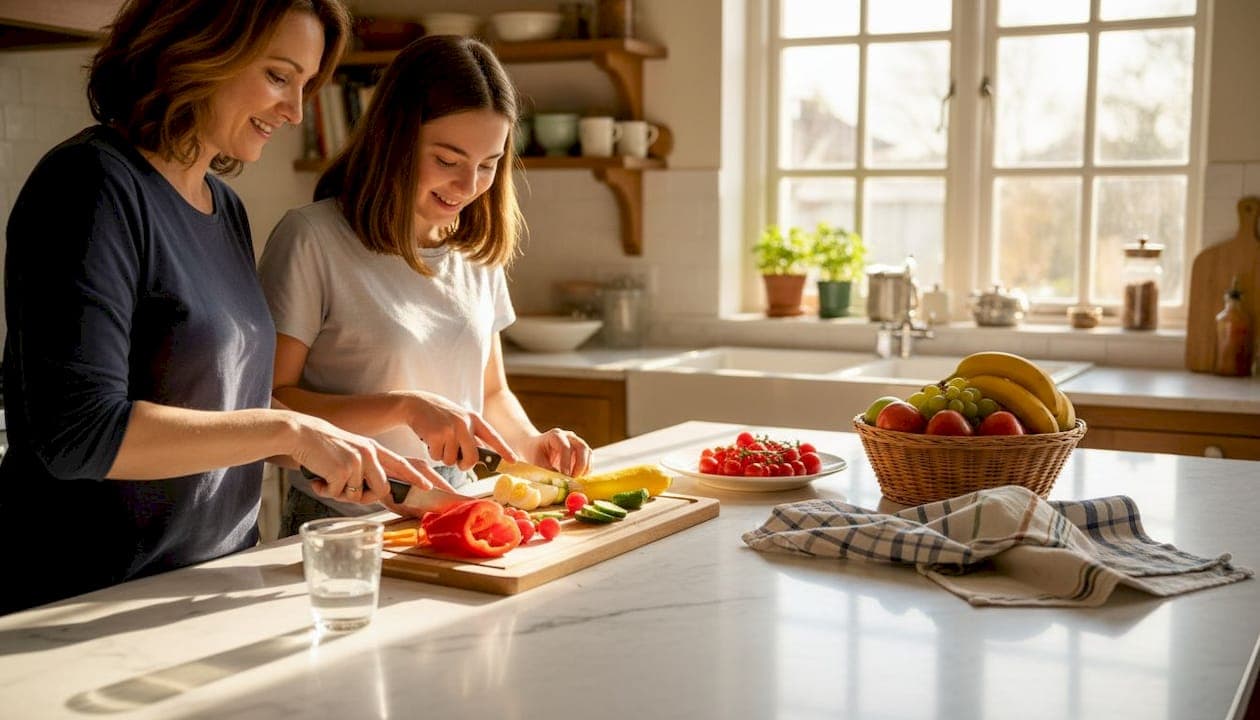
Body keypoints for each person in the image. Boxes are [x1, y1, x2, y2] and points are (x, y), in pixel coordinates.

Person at [0, 0, 455, 616]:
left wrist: (345, 451)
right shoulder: (90, 183)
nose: (295, 111)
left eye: (304, 85)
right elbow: (79, 434)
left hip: (215, 583)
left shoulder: (224, 207)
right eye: (278, 76)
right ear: (198, 48)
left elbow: (221, 404)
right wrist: (293, 432)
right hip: (84, 603)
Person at [258, 35, 593, 536]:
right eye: (448, 160)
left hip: (457, 506)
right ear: (394, 141)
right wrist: (404, 406)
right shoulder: (312, 239)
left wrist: (531, 443)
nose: (469, 186)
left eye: (488, 164)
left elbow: (491, 393)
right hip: (342, 523)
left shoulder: (475, 251)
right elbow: (271, 405)